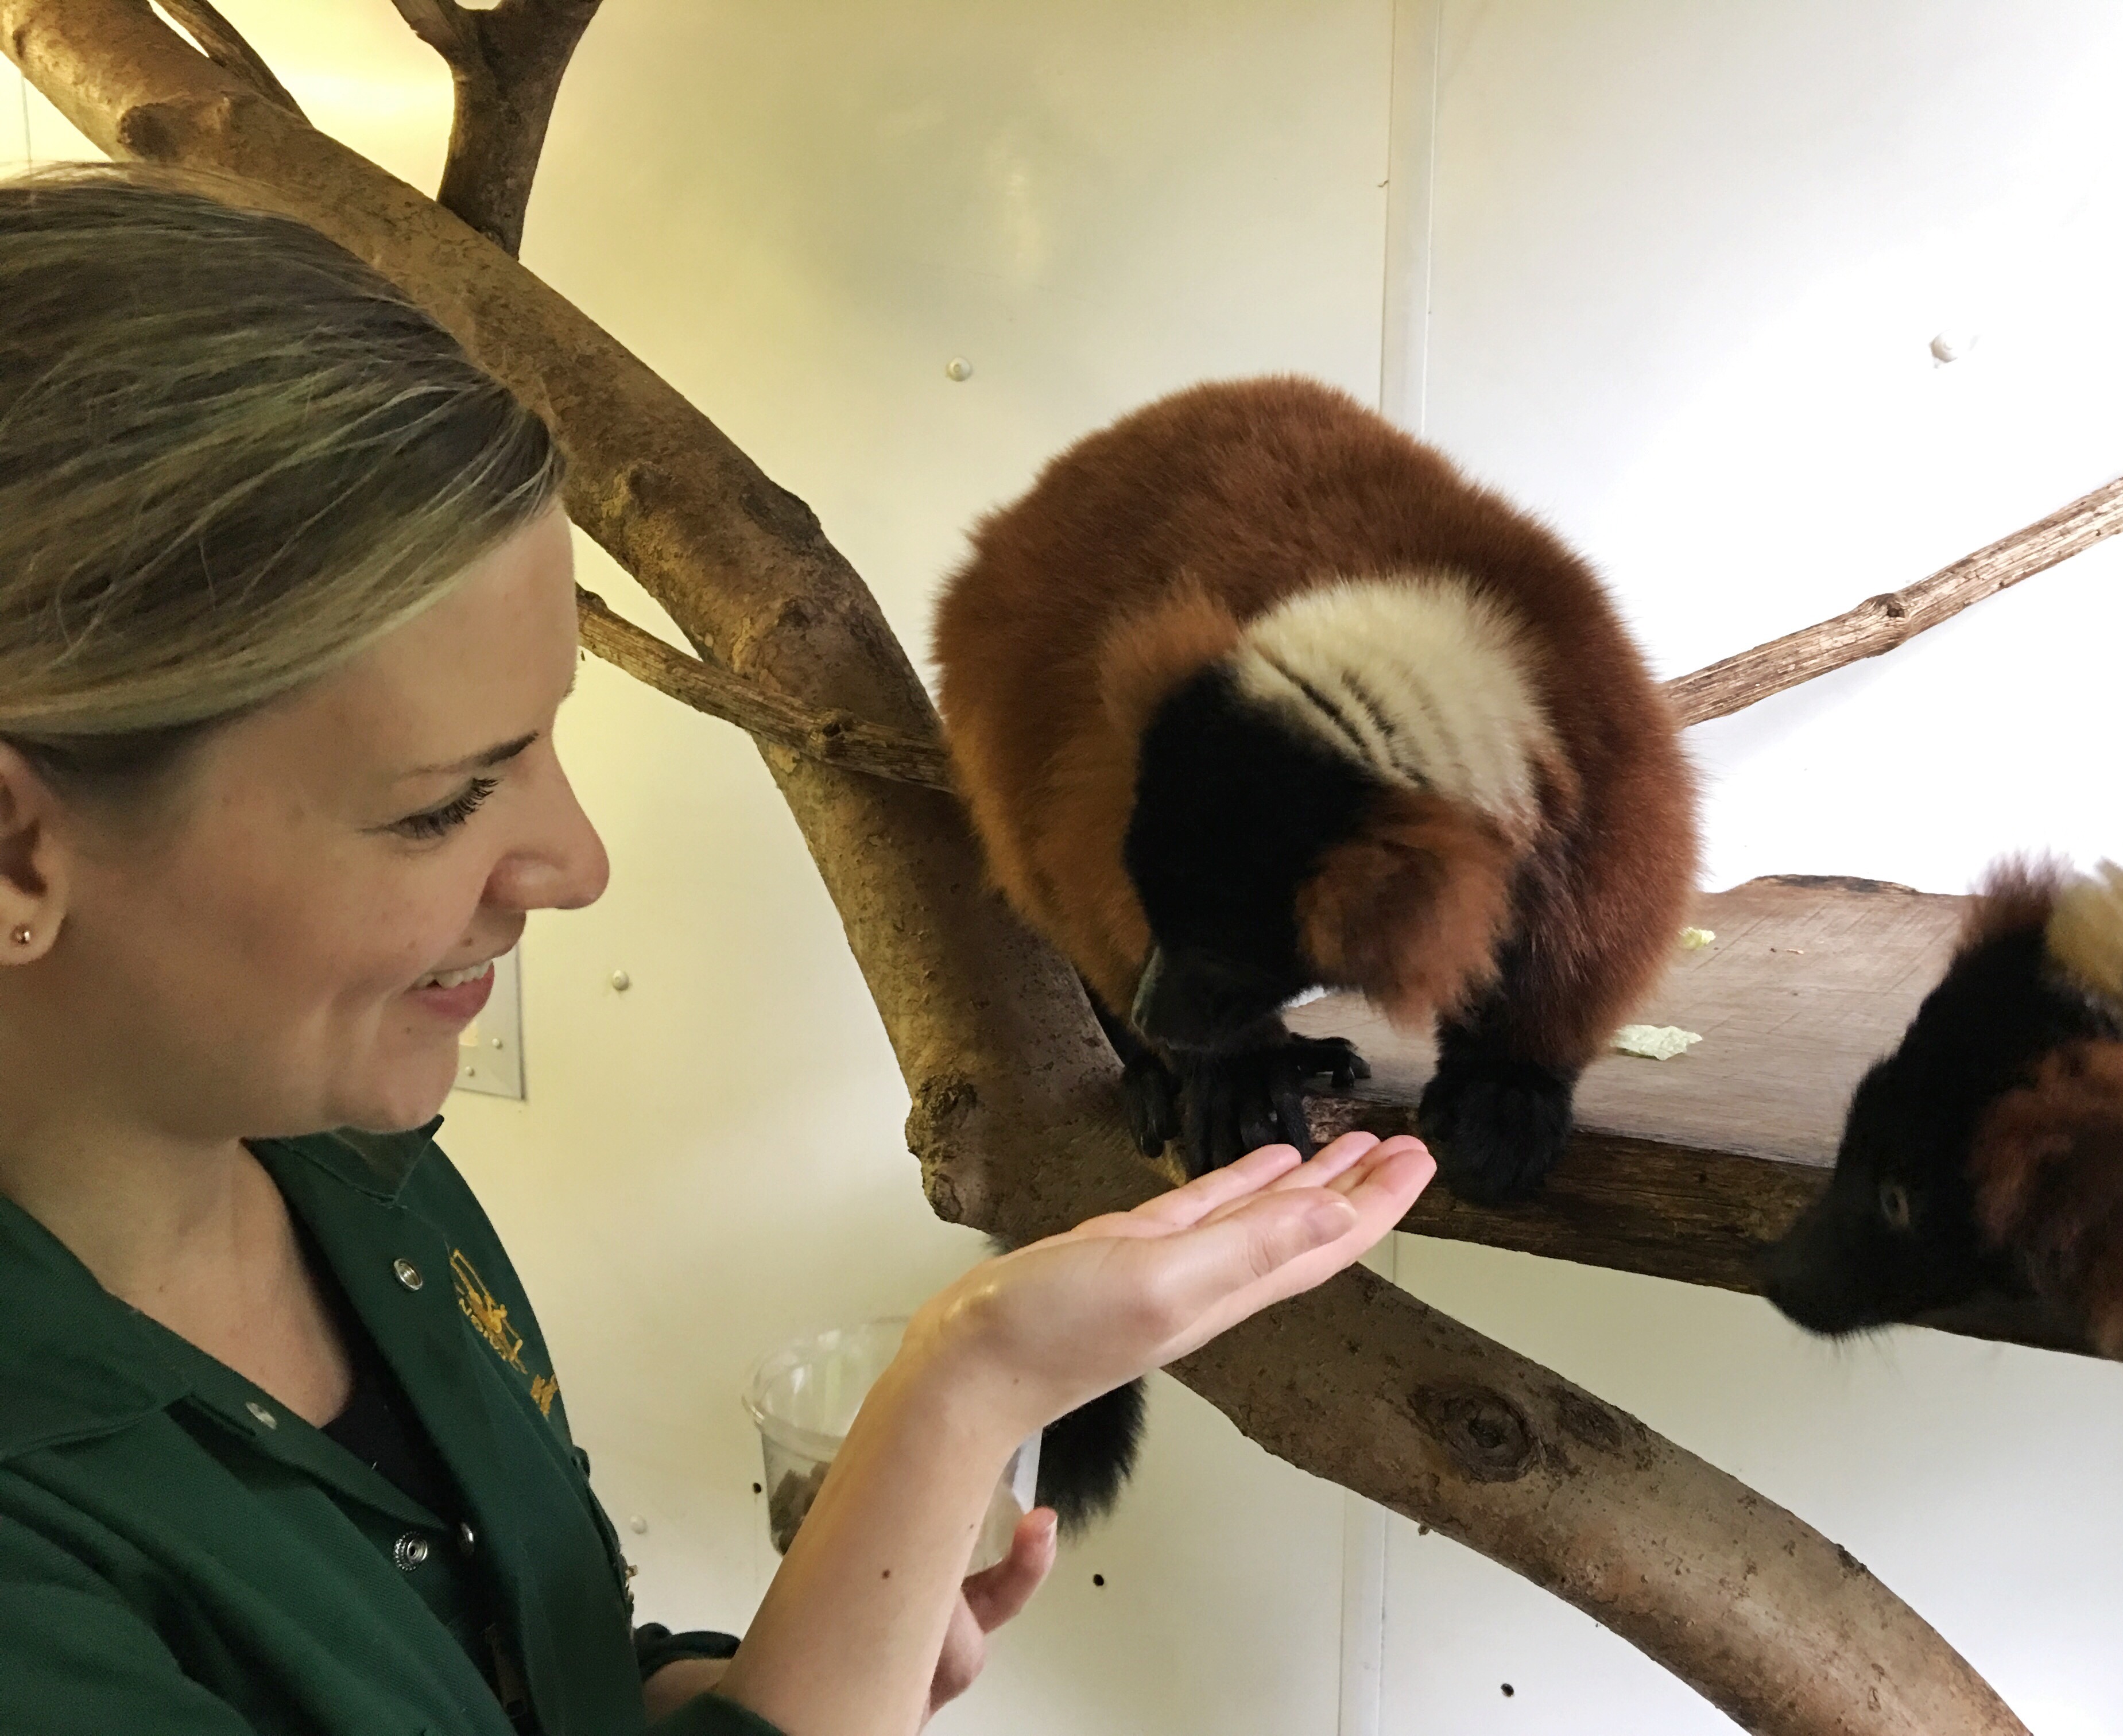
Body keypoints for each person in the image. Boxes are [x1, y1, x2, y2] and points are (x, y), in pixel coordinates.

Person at [0, 165, 1436, 1736]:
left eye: (544, 743)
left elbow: (529, 1692)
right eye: (440, 807)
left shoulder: (357, 1182)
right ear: (21, 850)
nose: (578, 866)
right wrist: (959, 1404)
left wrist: (819, 1645)